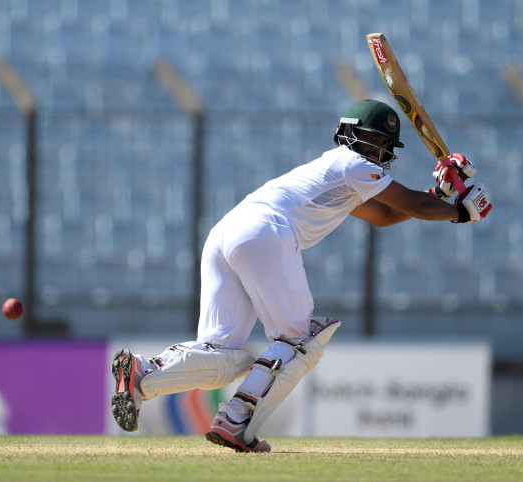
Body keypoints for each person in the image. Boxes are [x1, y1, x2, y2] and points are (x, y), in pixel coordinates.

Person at [110, 99, 492, 452]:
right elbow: (414, 205)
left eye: (383, 144)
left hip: (227, 233)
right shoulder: (353, 164)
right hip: (265, 231)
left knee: (222, 354)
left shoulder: (343, 174)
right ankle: (236, 422)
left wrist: (438, 192)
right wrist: (462, 212)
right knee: (299, 341)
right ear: (350, 134)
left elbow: (389, 214)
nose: (377, 149)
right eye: (372, 139)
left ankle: (142, 374)